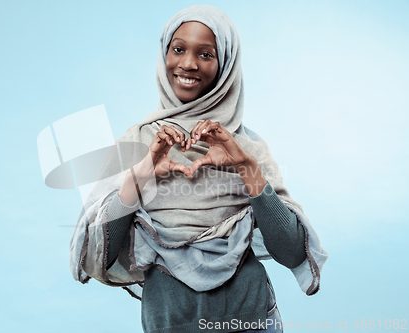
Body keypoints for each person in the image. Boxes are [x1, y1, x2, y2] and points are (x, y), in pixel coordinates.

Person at [70, 4, 328, 333]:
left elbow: (292, 252)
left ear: (226, 63)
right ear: (165, 53)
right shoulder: (137, 143)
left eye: (206, 54)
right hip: (168, 321)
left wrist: (245, 167)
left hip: (251, 318)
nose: (188, 64)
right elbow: (97, 257)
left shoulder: (246, 147)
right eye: (178, 49)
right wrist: (140, 176)